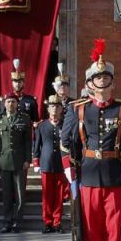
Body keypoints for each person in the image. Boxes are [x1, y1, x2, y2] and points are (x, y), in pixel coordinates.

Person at [63, 40, 121, 241]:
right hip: (88, 174)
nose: (103, 83)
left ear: (113, 83)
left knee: (113, 228)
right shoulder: (78, 110)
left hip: (115, 173)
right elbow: (67, 142)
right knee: (93, 228)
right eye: (98, 78)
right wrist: (70, 172)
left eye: (107, 78)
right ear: (89, 85)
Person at [0, 92, 32, 233]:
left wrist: (28, 159)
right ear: (4, 103)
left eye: (13, 102)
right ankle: (6, 221)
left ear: (17, 104)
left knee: (20, 193)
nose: (11, 104)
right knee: (6, 194)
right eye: (8, 101)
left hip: (20, 161)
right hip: (4, 161)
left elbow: (28, 141)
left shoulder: (25, 119)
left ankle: (17, 222)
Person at [33, 95, 68, 232]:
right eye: (52, 106)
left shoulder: (65, 124)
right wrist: (36, 162)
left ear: (61, 109)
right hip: (46, 163)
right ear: (48, 109)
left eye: (57, 106)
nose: (55, 109)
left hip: (60, 164)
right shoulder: (42, 125)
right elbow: (37, 145)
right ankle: (47, 222)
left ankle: (57, 222)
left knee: (59, 195)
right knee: (47, 195)